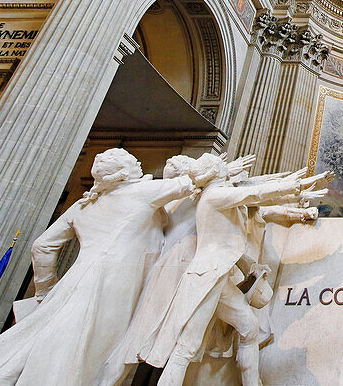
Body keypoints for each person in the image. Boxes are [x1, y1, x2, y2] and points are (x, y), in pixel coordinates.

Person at [0, 149, 197, 386]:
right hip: (118, 281)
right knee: (94, 349)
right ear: (124, 174)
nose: (140, 167)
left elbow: (42, 246)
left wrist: (46, 289)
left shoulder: (85, 204)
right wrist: (224, 168)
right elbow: (194, 181)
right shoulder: (139, 192)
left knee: (48, 340)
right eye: (134, 164)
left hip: (77, 278)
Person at [139, 155, 325, 386]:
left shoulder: (220, 195)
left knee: (249, 328)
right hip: (207, 277)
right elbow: (255, 193)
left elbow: (256, 197)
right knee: (185, 348)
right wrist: (294, 186)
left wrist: (294, 192)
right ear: (216, 172)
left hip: (220, 276)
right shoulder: (215, 195)